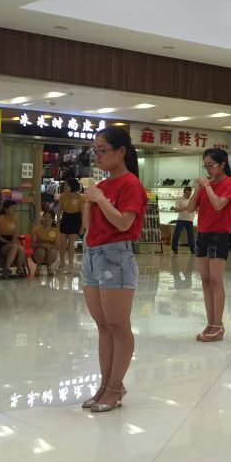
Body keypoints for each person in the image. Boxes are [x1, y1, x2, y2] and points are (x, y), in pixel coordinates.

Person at [80, 128, 147, 413]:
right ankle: (106, 384)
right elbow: (88, 226)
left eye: (101, 150)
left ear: (121, 151)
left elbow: (123, 223)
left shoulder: (131, 185)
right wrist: (90, 202)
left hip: (116, 256)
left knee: (118, 325)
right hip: (92, 254)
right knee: (103, 325)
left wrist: (100, 200)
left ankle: (115, 386)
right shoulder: (102, 186)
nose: (97, 156)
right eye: (94, 150)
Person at [186, 148, 231, 342]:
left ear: (222, 165)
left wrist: (207, 186)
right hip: (203, 234)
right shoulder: (206, 185)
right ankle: (210, 323)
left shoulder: (230, 184)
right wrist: (198, 188)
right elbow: (190, 208)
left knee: (216, 280)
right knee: (206, 280)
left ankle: (218, 325)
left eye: (211, 165)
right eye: (205, 166)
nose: (208, 169)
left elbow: (218, 205)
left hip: (219, 235)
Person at [56, 178, 85, 273]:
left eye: (66, 185)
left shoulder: (79, 197)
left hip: (75, 219)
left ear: (72, 186)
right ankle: (62, 263)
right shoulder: (62, 196)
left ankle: (71, 263)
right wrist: (58, 223)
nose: (65, 186)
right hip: (65, 218)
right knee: (62, 243)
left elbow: (83, 213)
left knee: (71, 243)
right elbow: (59, 211)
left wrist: (82, 227)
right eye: (65, 185)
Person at [0, 200, 26, 277]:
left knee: (21, 248)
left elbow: (15, 235)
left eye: (15, 207)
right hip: (1, 242)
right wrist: (9, 243)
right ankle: (6, 268)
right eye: (12, 207)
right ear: (6, 209)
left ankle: (19, 269)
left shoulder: (15, 220)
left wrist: (14, 241)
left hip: (11, 241)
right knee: (14, 246)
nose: (14, 209)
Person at [32, 211, 59, 275]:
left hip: (51, 251)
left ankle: (49, 268)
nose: (47, 219)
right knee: (41, 251)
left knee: (52, 251)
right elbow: (32, 245)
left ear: (52, 220)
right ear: (42, 218)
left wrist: (50, 246)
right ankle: (38, 267)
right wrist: (40, 245)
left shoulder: (56, 231)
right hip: (38, 252)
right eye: (45, 217)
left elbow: (57, 246)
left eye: (49, 217)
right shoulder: (36, 229)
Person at [172, 186, 197, 255]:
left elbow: (197, 208)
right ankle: (174, 248)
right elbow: (176, 209)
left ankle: (192, 250)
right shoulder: (179, 199)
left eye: (190, 194)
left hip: (190, 220)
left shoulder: (193, 200)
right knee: (177, 234)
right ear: (184, 192)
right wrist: (186, 208)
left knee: (191, 235)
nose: (188, 195)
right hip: (181, 219)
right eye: (187, 194)